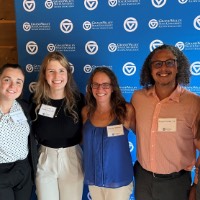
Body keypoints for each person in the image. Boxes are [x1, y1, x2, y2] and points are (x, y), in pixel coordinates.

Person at [131, 44, 200, 200]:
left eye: (169, 62)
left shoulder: (194, 103)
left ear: (178, 67)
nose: (163, 68)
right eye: (157, 63)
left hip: (176, 183)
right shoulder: (138, 98)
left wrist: (196, 184)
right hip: (143, 179)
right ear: (150, 69)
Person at [30, 51, 84, 200]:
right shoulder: (36, 100)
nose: (57, 76)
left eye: (61, 70)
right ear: (44, 74)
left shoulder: (79, 100)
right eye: (51, 71)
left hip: (72, 157)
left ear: (68, 73)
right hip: (45, 158)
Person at [82, 66, 135, 200]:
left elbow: (143, 135)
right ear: (91, 88)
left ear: (112, 87)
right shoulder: (86, 112)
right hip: (94, 180)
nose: (100, 89)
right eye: (96, 85)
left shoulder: (126, 110)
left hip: (119, 180)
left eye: (105, 85)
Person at [0, 63, 37, 200]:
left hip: (23, 171)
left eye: (18, 82)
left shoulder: (24, 107)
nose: (12, 86)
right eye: (7, 80)